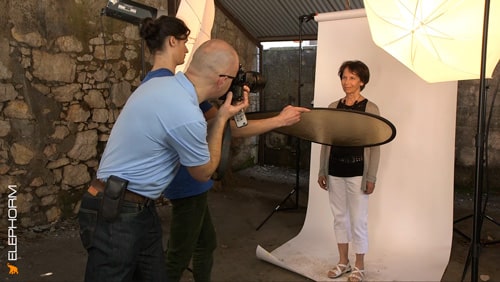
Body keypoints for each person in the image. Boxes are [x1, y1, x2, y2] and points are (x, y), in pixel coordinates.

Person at [139, 16, 310, 282]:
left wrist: (233, 110)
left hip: (192, 184)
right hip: (188, 182)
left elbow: (226, 126)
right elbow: (228, 134)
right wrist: (279, 120)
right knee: (179, 253)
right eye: (184, 44)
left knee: (206, 243)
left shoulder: (193, 96)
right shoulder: (181, 95)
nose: (186, 50)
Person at [77, 37, 249, 282]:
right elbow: (204, 172)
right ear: (222, 81)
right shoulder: (187, 113)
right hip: (116, 210)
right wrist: (222, 119)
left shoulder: (161, 85)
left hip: (136, 206)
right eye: (235, 77)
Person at [317, 60, 380, 282]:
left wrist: (371, 176)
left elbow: (375, 145)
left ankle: (359, 266)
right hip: (335, 170)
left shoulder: (370, 109)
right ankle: (343, 262)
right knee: (339, 218)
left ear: (362, 81)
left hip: (357, 172)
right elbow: (327, 140)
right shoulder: (334, 106)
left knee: (359, 219)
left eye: (352, 77)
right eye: (344, 77)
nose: (347, 82)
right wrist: (322, 170)